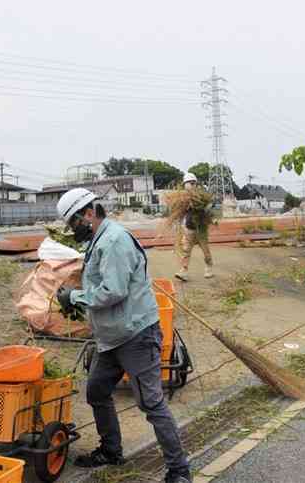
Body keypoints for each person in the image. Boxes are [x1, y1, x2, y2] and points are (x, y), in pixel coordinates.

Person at [55, 188, 192, 483]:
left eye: (73, 222)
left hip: (136, 337)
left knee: (151, 404)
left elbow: (113, 291)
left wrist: (75, 297)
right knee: (97, 391)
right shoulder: (99, 239)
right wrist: (77, 300)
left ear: (89, 214)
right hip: (113, 337)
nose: (72, 229)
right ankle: (111, 450)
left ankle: (179, 471)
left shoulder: (114, 240)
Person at [174, 173, 213, 281]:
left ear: (195, 183)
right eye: (186, 184)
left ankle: (209, 267)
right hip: (189, 228)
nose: (189, 186)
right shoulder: (184, 198)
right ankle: (184, 271)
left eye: (191, 183)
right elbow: (181, 212)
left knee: (205, 251)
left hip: (201, 229)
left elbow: (208, 210)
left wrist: (204, 208)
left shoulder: (202, 197)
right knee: (185, 250)